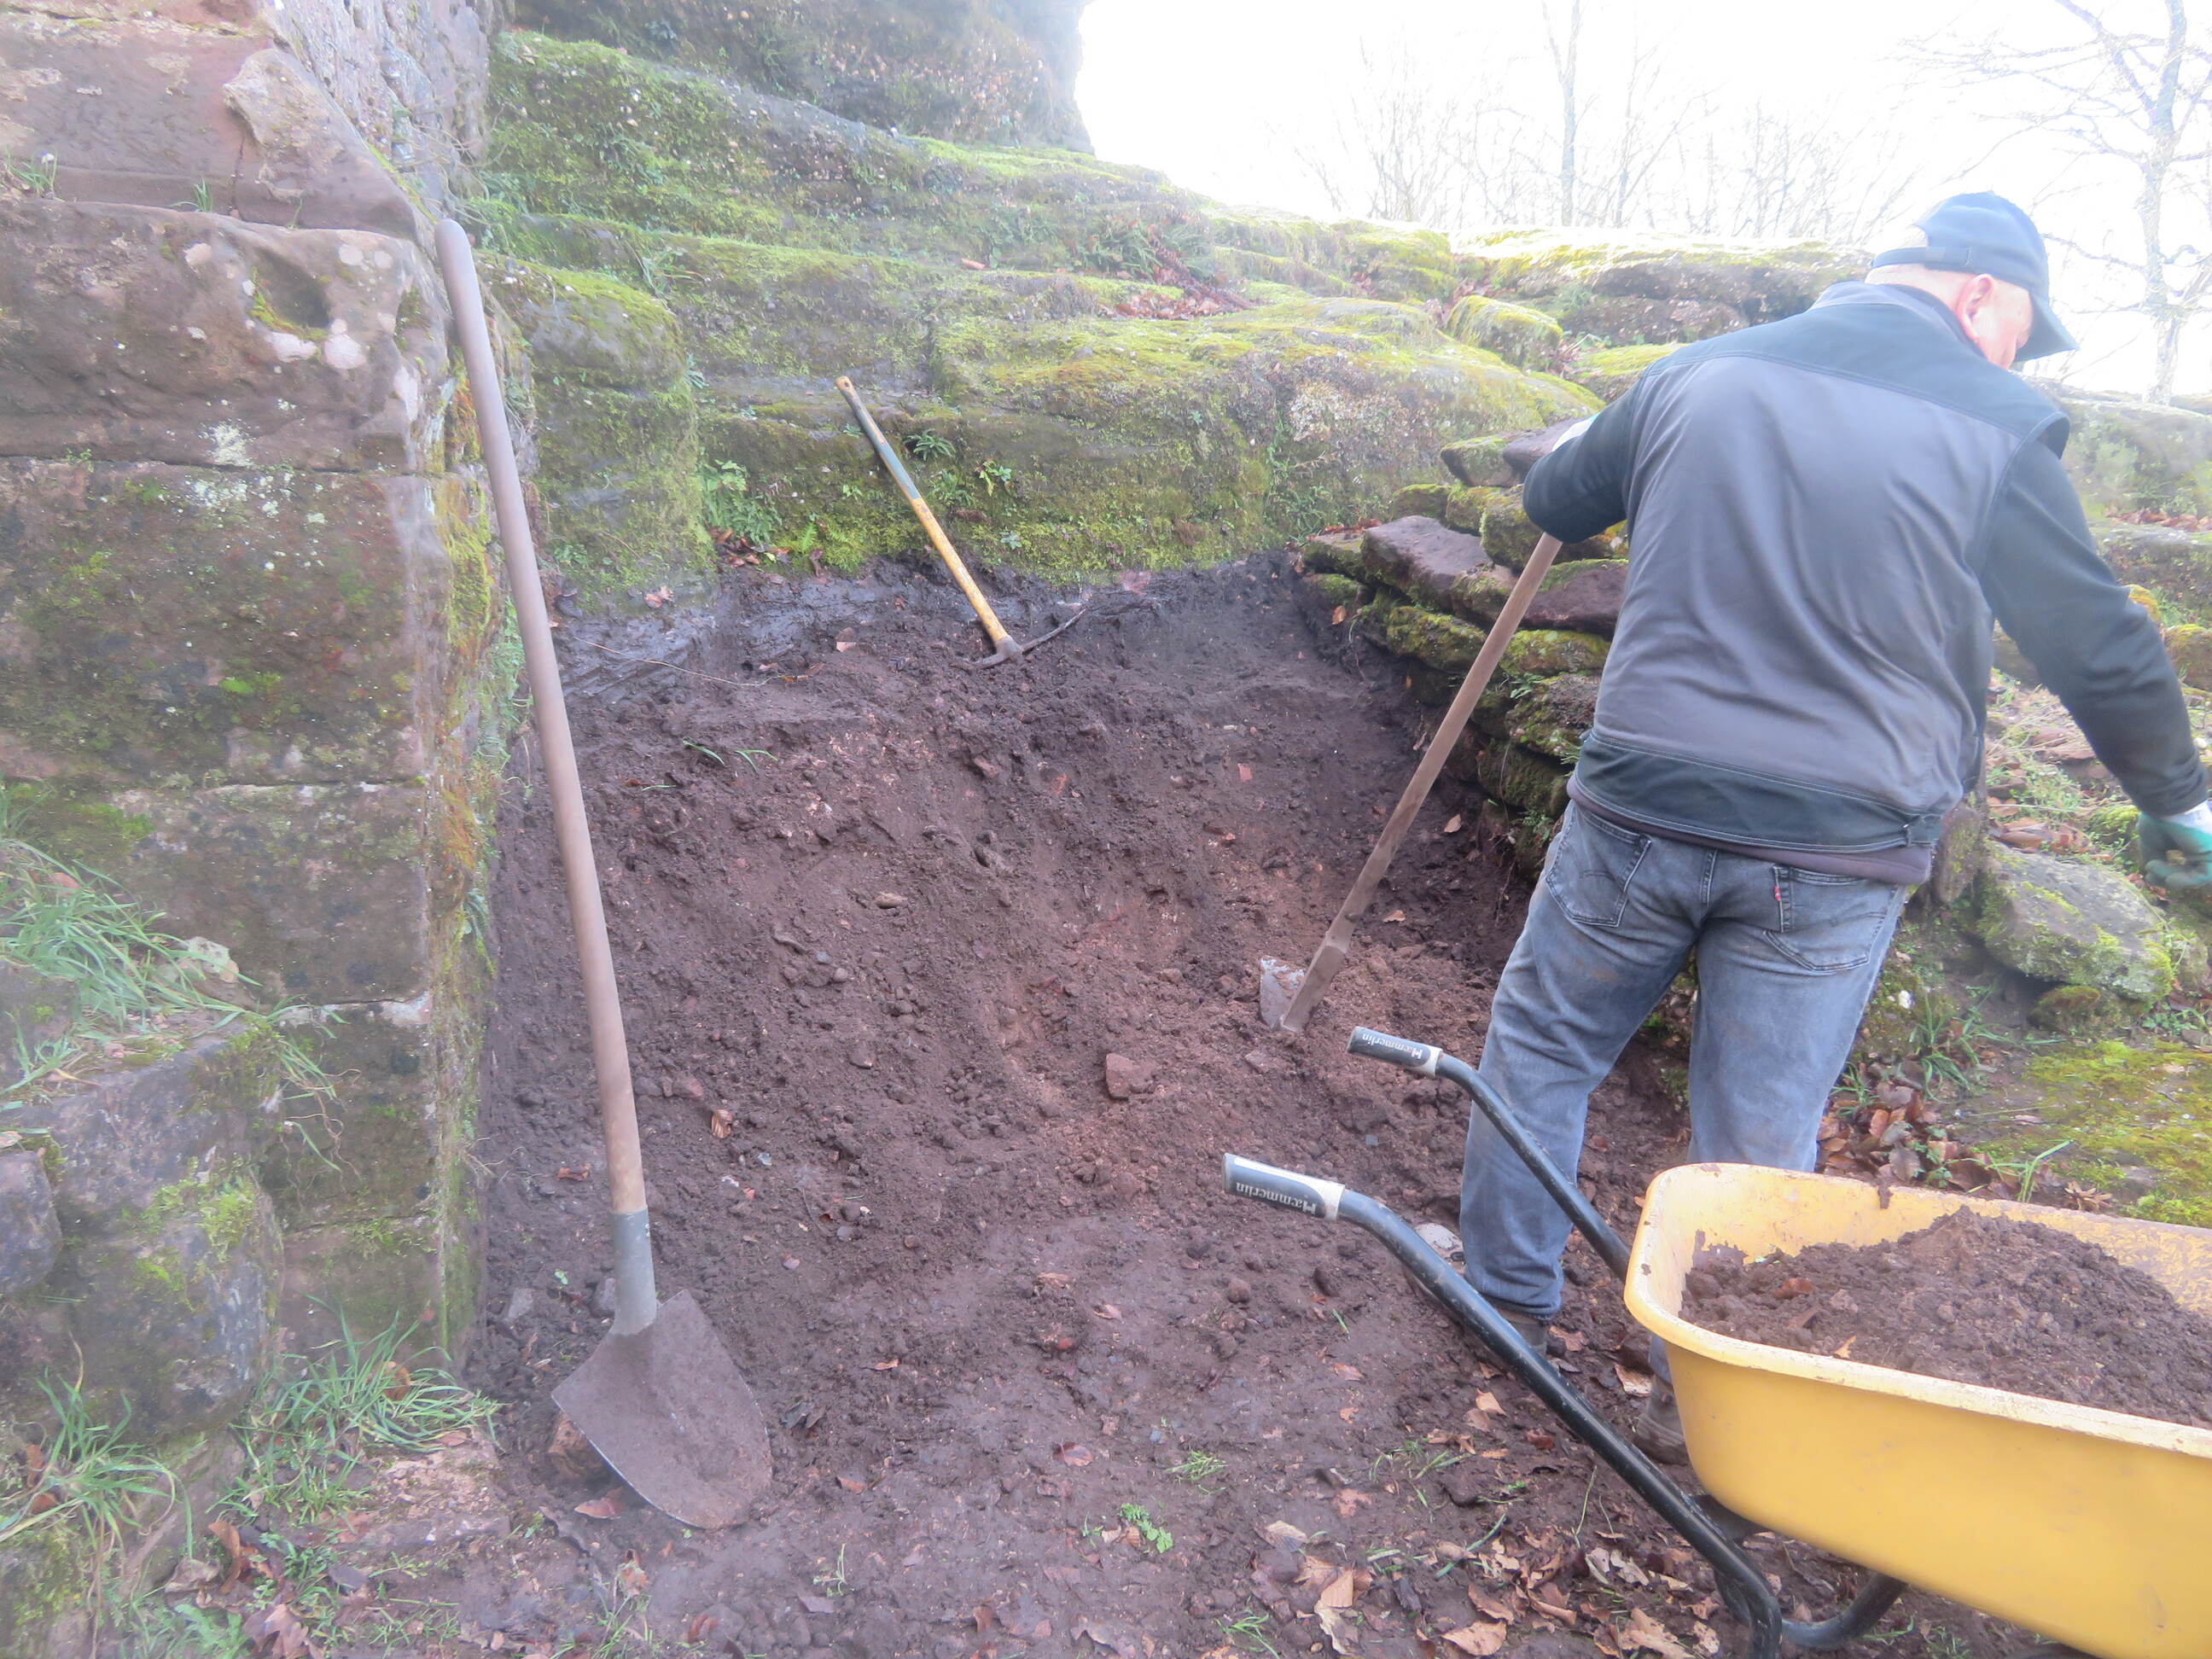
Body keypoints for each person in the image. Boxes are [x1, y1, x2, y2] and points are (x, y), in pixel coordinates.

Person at [1460, 191, 2212, 1461]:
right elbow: (2095, 641)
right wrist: (2177, 801)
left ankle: (1504, 1305)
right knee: (1759, 1135)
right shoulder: (1993, 425)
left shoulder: (1697, 372)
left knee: (1544, 1044)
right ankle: (1711, 1407)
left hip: (1645, 805)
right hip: (1835, 849)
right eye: (2023, 332)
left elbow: (1557, 498)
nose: (2020, 359)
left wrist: (1597, 438)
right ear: (1980, 292)